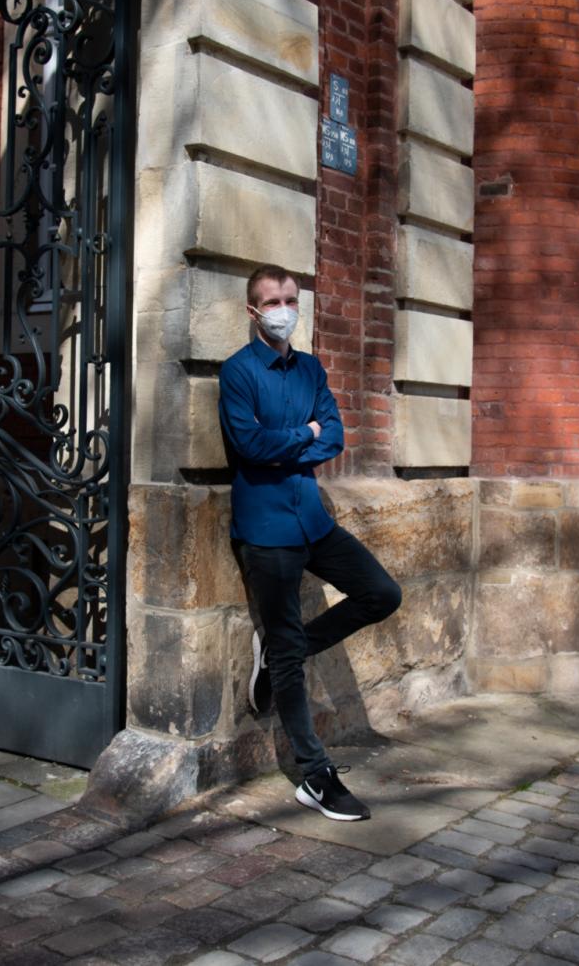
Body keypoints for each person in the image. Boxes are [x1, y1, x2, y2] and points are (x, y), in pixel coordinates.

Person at [218, 265, 402, 822]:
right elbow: (250, 447)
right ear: (253, 311)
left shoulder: (311, 369)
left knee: (382, 593)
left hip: (313, 521)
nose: (284, 310)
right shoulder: (238, 372)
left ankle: (284, 653)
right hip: (266, 530)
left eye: (290, 300)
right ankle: (314, 776)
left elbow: (336, 436)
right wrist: (306, 435)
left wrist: (295, 442)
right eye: (272, 301)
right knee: (288, 648)